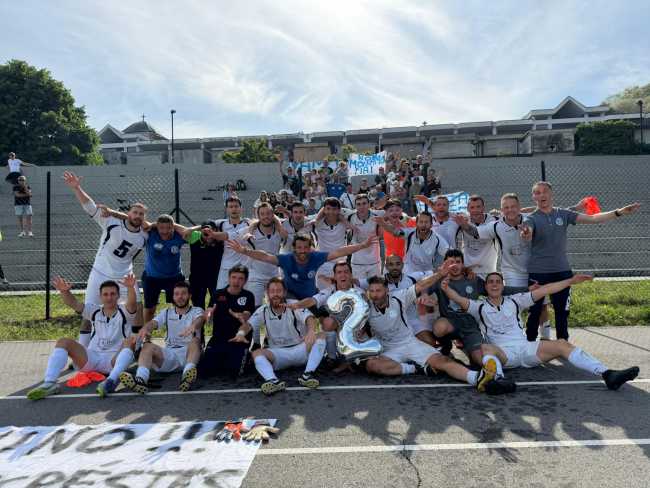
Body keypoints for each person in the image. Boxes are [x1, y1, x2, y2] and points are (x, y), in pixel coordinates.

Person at [439, 271, 639, 390]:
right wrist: (446, 287)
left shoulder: (515, 300)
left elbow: (546, 289)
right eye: (490, 282)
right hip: (503, 355)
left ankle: (607, 374)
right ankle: (497, 380)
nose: (494, 284)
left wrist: (570, 281)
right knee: (485, 348)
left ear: (503, 285)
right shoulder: (478, 306)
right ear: (485, 287)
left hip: (526, 349)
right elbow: (456, 298)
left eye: (498, 281)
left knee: (562, 344)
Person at [521, 181, 640, 341]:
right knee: (535, 312)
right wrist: (526, 234)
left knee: (562, 313)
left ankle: (563, 345)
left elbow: (593, 218)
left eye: (545, 191)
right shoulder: (531, 218)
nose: (542, 195)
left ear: (551, 194)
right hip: (538, 273)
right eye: (537, 192)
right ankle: (528, 346)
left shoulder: (563, 214)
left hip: (562, 272)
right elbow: (527, 233)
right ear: (533, 197)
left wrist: (619, 212)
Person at [362, 274, 515, 395]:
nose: (375, 295)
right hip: (388, 349)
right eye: (372, 291)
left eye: (378, 290)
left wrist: (441, 272)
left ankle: (478, 378)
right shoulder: (365, 307)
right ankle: (416, 369)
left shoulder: (399, 297)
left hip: (409, 343)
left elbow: (422, 285)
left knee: (443, 361)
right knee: (372, 366)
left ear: (386, 290)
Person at [63, 171, 147, 345]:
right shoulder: (111, 222)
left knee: (137, 308)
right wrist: (77, 188)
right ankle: (83, 349)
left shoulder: (145, 235)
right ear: (128, 213)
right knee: (89, 313)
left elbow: (163, 226)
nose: (137, 216)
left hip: (124, 276)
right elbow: (90, 206)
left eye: (141, 214)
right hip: (100, 273)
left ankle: (137, 347)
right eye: (135, 212)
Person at [27, 274, 138, 400]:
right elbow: (73, 303)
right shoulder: (94, 310)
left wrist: (130, 287)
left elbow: (132, 305)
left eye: (113, 294)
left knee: (130, 341)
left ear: (118, 296)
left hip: (115, 361)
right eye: (105, 294)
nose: (109, 297)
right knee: (63, 342)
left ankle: (110, 382)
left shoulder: (124, 312)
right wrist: (64, 291)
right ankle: (49, 383)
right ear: (100, 297)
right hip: (92, 359)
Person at [230, 277, 327, 395]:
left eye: (279, 291)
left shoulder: (293, 305)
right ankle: (273, 381)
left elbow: (309, 318)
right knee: (256, 353)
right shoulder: (263, 310)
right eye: (272, 291)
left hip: (300, 350)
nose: (275, 294)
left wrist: (311, 331)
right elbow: (248, 325)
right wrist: (240, 334)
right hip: (278, 354)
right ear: (267, 294)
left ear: (284, 292)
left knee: (321, 335)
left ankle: (307, 375)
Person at [227, 233, 377, 300]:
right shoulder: (286, 259)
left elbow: (339, 252)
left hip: (310, 297)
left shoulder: (315, 257)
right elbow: (265, 256)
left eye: (306, 247)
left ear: (310, 248)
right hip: (290, 297)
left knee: (327, 320)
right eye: (299, 247)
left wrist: (362, 245)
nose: (303, 251)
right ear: (294, 248)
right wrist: (244, 251)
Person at [119, 281, 206, 394]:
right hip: (170, 355)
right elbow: (154, 323)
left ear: (189, 295)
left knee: (195, 341)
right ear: (173, 297)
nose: (180, 297)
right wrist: (146, 328)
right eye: (177, 294)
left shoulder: (197, 310)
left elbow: (201, 319)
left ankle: (187, 376)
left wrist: (193, 326)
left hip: (189, 354)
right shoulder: (167, 312)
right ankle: (140, 380)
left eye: (184, 293)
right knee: (147, 346)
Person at [359, 254, 438, 346]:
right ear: (386, 266)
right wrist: (362, 296)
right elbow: (356, 282)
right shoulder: (379, 282)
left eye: (398, 264)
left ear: (402, 265)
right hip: (391, 322)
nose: (394, 267)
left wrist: (425, 293)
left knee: (430, 342)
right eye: (391, 264)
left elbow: (433, 273)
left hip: (412, 319)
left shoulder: (411, 278)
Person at [197, 265, 256, 379]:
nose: (236, 281)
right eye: (234, 277)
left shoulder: (248, 296)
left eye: (240, 278)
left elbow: (247, 314)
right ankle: (222, 356)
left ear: (245, 281)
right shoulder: (218, 294)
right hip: (219, 338)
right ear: (229, 278)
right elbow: (209, 310)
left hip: (239, 339)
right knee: (205, 371)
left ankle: (245, 355)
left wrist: (241, 316)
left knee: (235, 372)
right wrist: (208, 315)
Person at [140, 214, 187, 323]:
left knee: (179, 306)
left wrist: (174, 226)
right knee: (150, 309)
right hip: (152, 277)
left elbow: (188, 231)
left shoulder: (179, 236)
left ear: (173, 227)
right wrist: (153, 225)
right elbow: (140, 223)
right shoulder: (151, 234)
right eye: (161, 228)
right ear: (157, 227)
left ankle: (178, 331)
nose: (165, 231)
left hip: (174, 277)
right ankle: (147, 332)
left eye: (169, 228)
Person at [241, 203, 287, 306]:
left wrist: (279, 223)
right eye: (262, 214)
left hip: (274, 274)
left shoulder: (279, 229)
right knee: (254, 306)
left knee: (277, 306)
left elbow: (294, 221)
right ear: (258, 216)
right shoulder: (250, 231)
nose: (265, 216)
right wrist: (248, 233)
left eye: (268, 213)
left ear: (273, 214)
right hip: (256, 275)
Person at [346, 193, 399, 280]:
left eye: (364, 203)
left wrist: (383, 222)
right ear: (355, 206)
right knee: (359, 288)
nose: (361, 207)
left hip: (374, 261)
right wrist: (348, 225)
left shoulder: (378, 214)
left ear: (369, 204)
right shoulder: (350, 216)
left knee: (376, 287)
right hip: (357, 262)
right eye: (358, 204)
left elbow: (394, 213)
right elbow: (335, 211)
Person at [455, 195, 498, 278]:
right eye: (472, 207)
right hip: (468, 271)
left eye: (478, 207)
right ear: (468, 209)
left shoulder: (494, 220)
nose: (475, 210)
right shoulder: (462, 220)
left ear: (483, 208)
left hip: (489, 271)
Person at [213, 196, 251, 290]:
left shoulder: (249, 223)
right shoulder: (221, 223)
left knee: (245, 295)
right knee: (220, 294)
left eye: (236, 206)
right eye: (231, 207)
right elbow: (204, 226)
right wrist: (190, 230)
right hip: (226, 266)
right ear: (226, 209)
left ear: (241, 208)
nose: (234, 209)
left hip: (244, 266)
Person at [187, 221, 224, 310]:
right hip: (197, 278)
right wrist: (200, 227)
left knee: (216, 306)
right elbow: (185, 231)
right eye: (205, 231)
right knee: (198, 308)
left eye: (211, 230)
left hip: (215, 278)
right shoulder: (195, 239)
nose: (208, 233)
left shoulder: (221, 242)